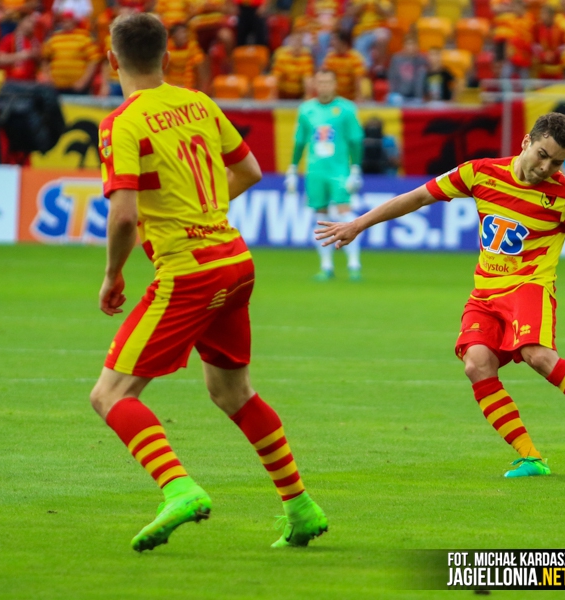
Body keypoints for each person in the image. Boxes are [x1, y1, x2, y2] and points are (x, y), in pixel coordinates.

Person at [93, 13, 327, 552]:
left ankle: (178, 488)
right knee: (232, 391)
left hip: (189, 271)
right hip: (234, 262)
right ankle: (300, 507)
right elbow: (249, 171)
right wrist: (203, 211)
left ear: (111, 61)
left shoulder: (121, 123)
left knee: (110, 395)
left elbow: (123, 216)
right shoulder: (199, 103)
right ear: (167, 58)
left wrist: (112, 274)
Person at [316, 112, 565, 480]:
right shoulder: (481, 173)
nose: (546, 167)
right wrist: (357, 224)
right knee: (476, 364)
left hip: (529, 286)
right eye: (542, 155)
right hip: (485, 293)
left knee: (538, 355)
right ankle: (531, 459)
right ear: (526, 142)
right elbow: (418, 197)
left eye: (557, 162)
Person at [285, 69, 364, 281]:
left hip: (339, 171)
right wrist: (292, 169)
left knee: (345, 215)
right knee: (320, 218)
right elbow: (299, 141)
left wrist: (356, 169)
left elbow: (356, 140)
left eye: (328, 82)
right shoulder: (306, 110)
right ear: (315, 85)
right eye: (320, 82)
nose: (324, 86)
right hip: (315, 172)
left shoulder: (346, 109)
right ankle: (326, 266)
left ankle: (354, 264)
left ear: (335, 84)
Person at [40, 12, 101, 94]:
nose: (66, 22)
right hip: (56, 87)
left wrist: (83, 81)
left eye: (68, 19)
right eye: (64, 20)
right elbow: (44, 59)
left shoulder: (84, 37)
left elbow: (94, 60)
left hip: (78, 88)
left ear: (74, 21)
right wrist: (48, 77)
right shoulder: (54, 38)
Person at [321, 30, 367, 102]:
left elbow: (358, 79)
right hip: (334, 99)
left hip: (351, 99)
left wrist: (359, 96)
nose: (331, 43)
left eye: (334, 40)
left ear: (343, 42)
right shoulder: (330, 57)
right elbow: (324, 76)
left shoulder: (355, 57)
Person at [0, 13, 41, 82]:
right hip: (12, 82)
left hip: (31, 82)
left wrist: (38, 57)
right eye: (29, 21)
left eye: (34, 22)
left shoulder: (35, 41)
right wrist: (23, 55)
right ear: (20, 22)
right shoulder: (9, 38)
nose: (33, 24)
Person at [271, 31, 314, 100]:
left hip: (299, 94)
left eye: (299, 42)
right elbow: (276, 78)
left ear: (302, 43)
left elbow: (307, 79)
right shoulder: (282, 56)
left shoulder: (306, 57)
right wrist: (274, 98)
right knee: (272, 81)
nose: (297, 45)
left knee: (309, 82)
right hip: (283, 93)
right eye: (295, 42)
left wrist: (307, 97)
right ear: (290, 42)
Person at [386, 35, 426, 105]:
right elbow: (392, 77)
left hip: (416, 96)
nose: (411, 47)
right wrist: (394, 93)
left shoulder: (421, 60)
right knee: (392, 99)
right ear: (403, 45)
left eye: (413, 44)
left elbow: (422, 80)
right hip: (399, 95)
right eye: (408, 44)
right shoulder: (396, 59)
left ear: (417, 46)